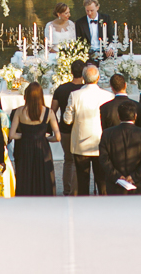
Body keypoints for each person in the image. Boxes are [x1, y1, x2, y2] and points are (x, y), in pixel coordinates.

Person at [63, 64, 112, 195]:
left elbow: (67, 120)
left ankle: (83, 207)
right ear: (98, 78)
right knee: (102, 181)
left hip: (81, 143)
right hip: (101, 142)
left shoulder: (75, 95)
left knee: (82, 180)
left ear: (83, 79)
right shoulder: (108, 95)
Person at [8, 81, 60, 197]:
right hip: (42, 147)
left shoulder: (19, 111)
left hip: (25, 147)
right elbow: (57, 137)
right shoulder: (48, 112)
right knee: (43, 176)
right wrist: (46, 138)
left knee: (26, 176)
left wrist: (25, 136)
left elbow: (12, 135)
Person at [98, 101, 141, 194]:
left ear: (118, 116)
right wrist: (134, 176)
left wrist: (117, 176)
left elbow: (104, 158)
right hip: (138, 185)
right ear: (135, 116)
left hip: (115, 185)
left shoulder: (107, 134)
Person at [52, 59, 87, 195]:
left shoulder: (61, 89)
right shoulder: (84, 91)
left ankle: (67, 189)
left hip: (65, 129)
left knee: (68, 160)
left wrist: (56, 127)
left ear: (71, 72)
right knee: (80, 160)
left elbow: (52, 110)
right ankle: (76, 190)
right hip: (81, 129)